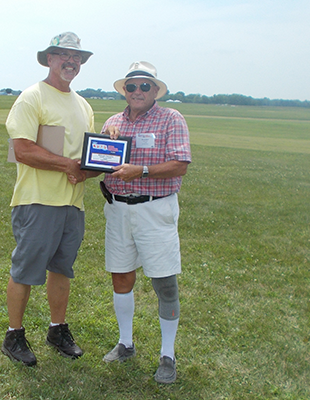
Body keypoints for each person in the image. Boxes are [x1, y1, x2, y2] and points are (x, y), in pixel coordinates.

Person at [1, 32, 97, 366]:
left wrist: (90, 169)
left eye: (77, 57)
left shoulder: (84, 105)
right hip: (37, 201)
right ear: (50, 59)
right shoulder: (32, 97)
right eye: (63, 55)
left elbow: (86, 157)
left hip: (73, 204)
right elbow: (22, 149)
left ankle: (58, 330)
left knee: (62, 270)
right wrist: (68, 165)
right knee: (26, 270)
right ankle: (14, 335)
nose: (71, 61)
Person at [99, 61, 192, 384]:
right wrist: (103, 144)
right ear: (124, 90)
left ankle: (168, 354)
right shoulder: (112, 122)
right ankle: (126, 343)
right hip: (119, 210)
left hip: (156, 210)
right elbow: (100, 160)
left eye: (144, 86)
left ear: (155, 90)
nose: (137, 91)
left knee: (164, 283)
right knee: (121, 277)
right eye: (131, 86)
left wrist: (142, 171)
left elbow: (180, 165)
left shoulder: (171, 119)